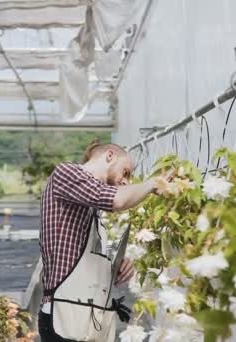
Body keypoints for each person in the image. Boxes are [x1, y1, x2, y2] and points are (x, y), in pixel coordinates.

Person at [38, 140, 164, 342]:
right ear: (110, 156)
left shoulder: (91, 207)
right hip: (65, 317)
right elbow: (116, 200)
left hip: (84, 317)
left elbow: (84, 260)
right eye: (126, 173)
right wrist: (153, 184)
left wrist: (115, 266)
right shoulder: (65, 173)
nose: (125, 182)